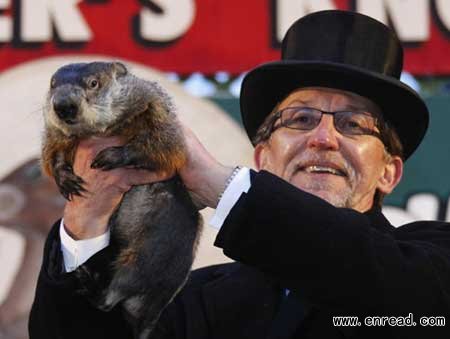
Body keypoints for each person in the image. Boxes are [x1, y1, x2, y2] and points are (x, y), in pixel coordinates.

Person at [29, 10, 450, 339]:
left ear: (389, 174)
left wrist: (208, 177)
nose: (324, 138)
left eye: (354, 124)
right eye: (300, 119)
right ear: (263, 158)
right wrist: (86, 218)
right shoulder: (193, 301)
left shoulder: (430, 267)